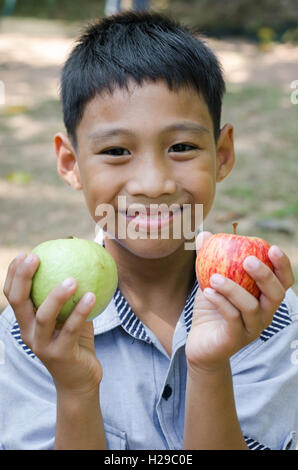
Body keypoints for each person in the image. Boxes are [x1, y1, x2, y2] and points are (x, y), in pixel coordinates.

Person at [1, 10, 298, 450]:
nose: (154, 184)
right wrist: (75, 389)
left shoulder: (265, 313)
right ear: (70, 163)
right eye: (117, 150)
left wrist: (210, 369)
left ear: (222, 154)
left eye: (181, 147)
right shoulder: (34, 333)